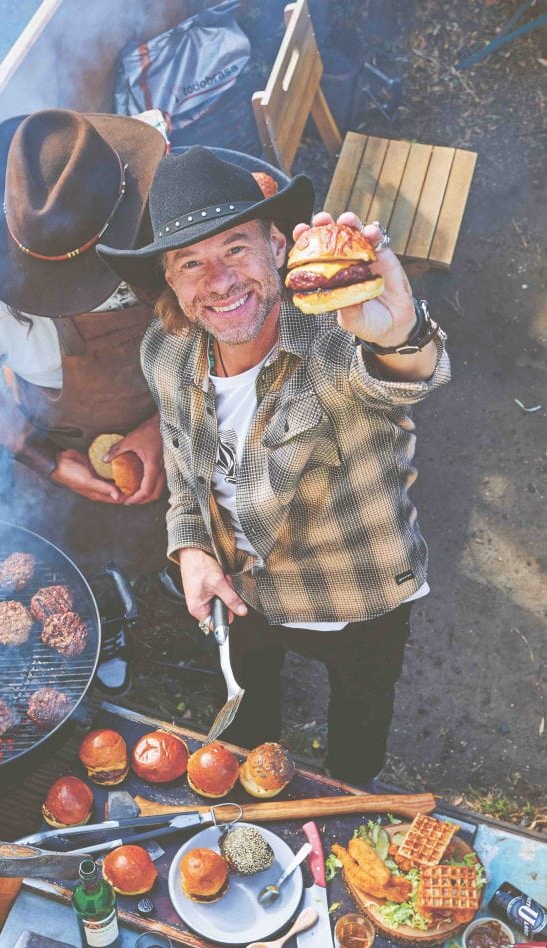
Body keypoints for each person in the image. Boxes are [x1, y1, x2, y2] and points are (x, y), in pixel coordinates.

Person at [98, 147, 450, 784]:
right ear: (170, 281)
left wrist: (401, 334)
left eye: (236, 248)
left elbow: (399, 374)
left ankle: (351, 793)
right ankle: (254, 789)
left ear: (278, 248)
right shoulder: (166, 353)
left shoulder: (338, 339)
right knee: (248, 718)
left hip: (355, 596)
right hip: (243, 594)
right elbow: (186, 476)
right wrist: (190, 548)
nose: (220, 281)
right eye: (191, 262)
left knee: (360, 718)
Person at [0, 109, 168, 574]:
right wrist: (47, 460)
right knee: (94, 558)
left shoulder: (162, 212)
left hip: (198, 414)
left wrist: (165, 425)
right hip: (74, 453)